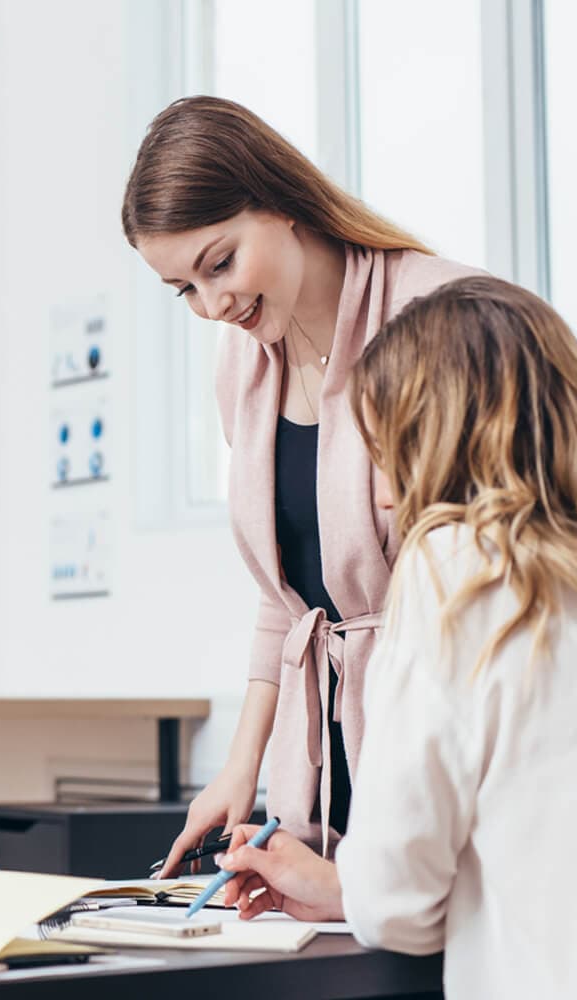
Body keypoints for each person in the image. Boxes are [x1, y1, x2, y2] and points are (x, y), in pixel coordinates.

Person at [217, 276, 577, 999]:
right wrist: (342, 876)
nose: (385, 496)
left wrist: (350, 879)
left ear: (441, 436)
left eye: (386, 452)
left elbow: (397, 905)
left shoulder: (456, 567)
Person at [120, 96, 481, 868]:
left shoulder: (440, 316)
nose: (213, 305)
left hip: (440, 742)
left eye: (220, 263)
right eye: (184, 288)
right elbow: (286, 595)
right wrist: (240, 770)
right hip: (324, 766)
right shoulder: (243, 366)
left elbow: (496, 572)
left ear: (281, 202)